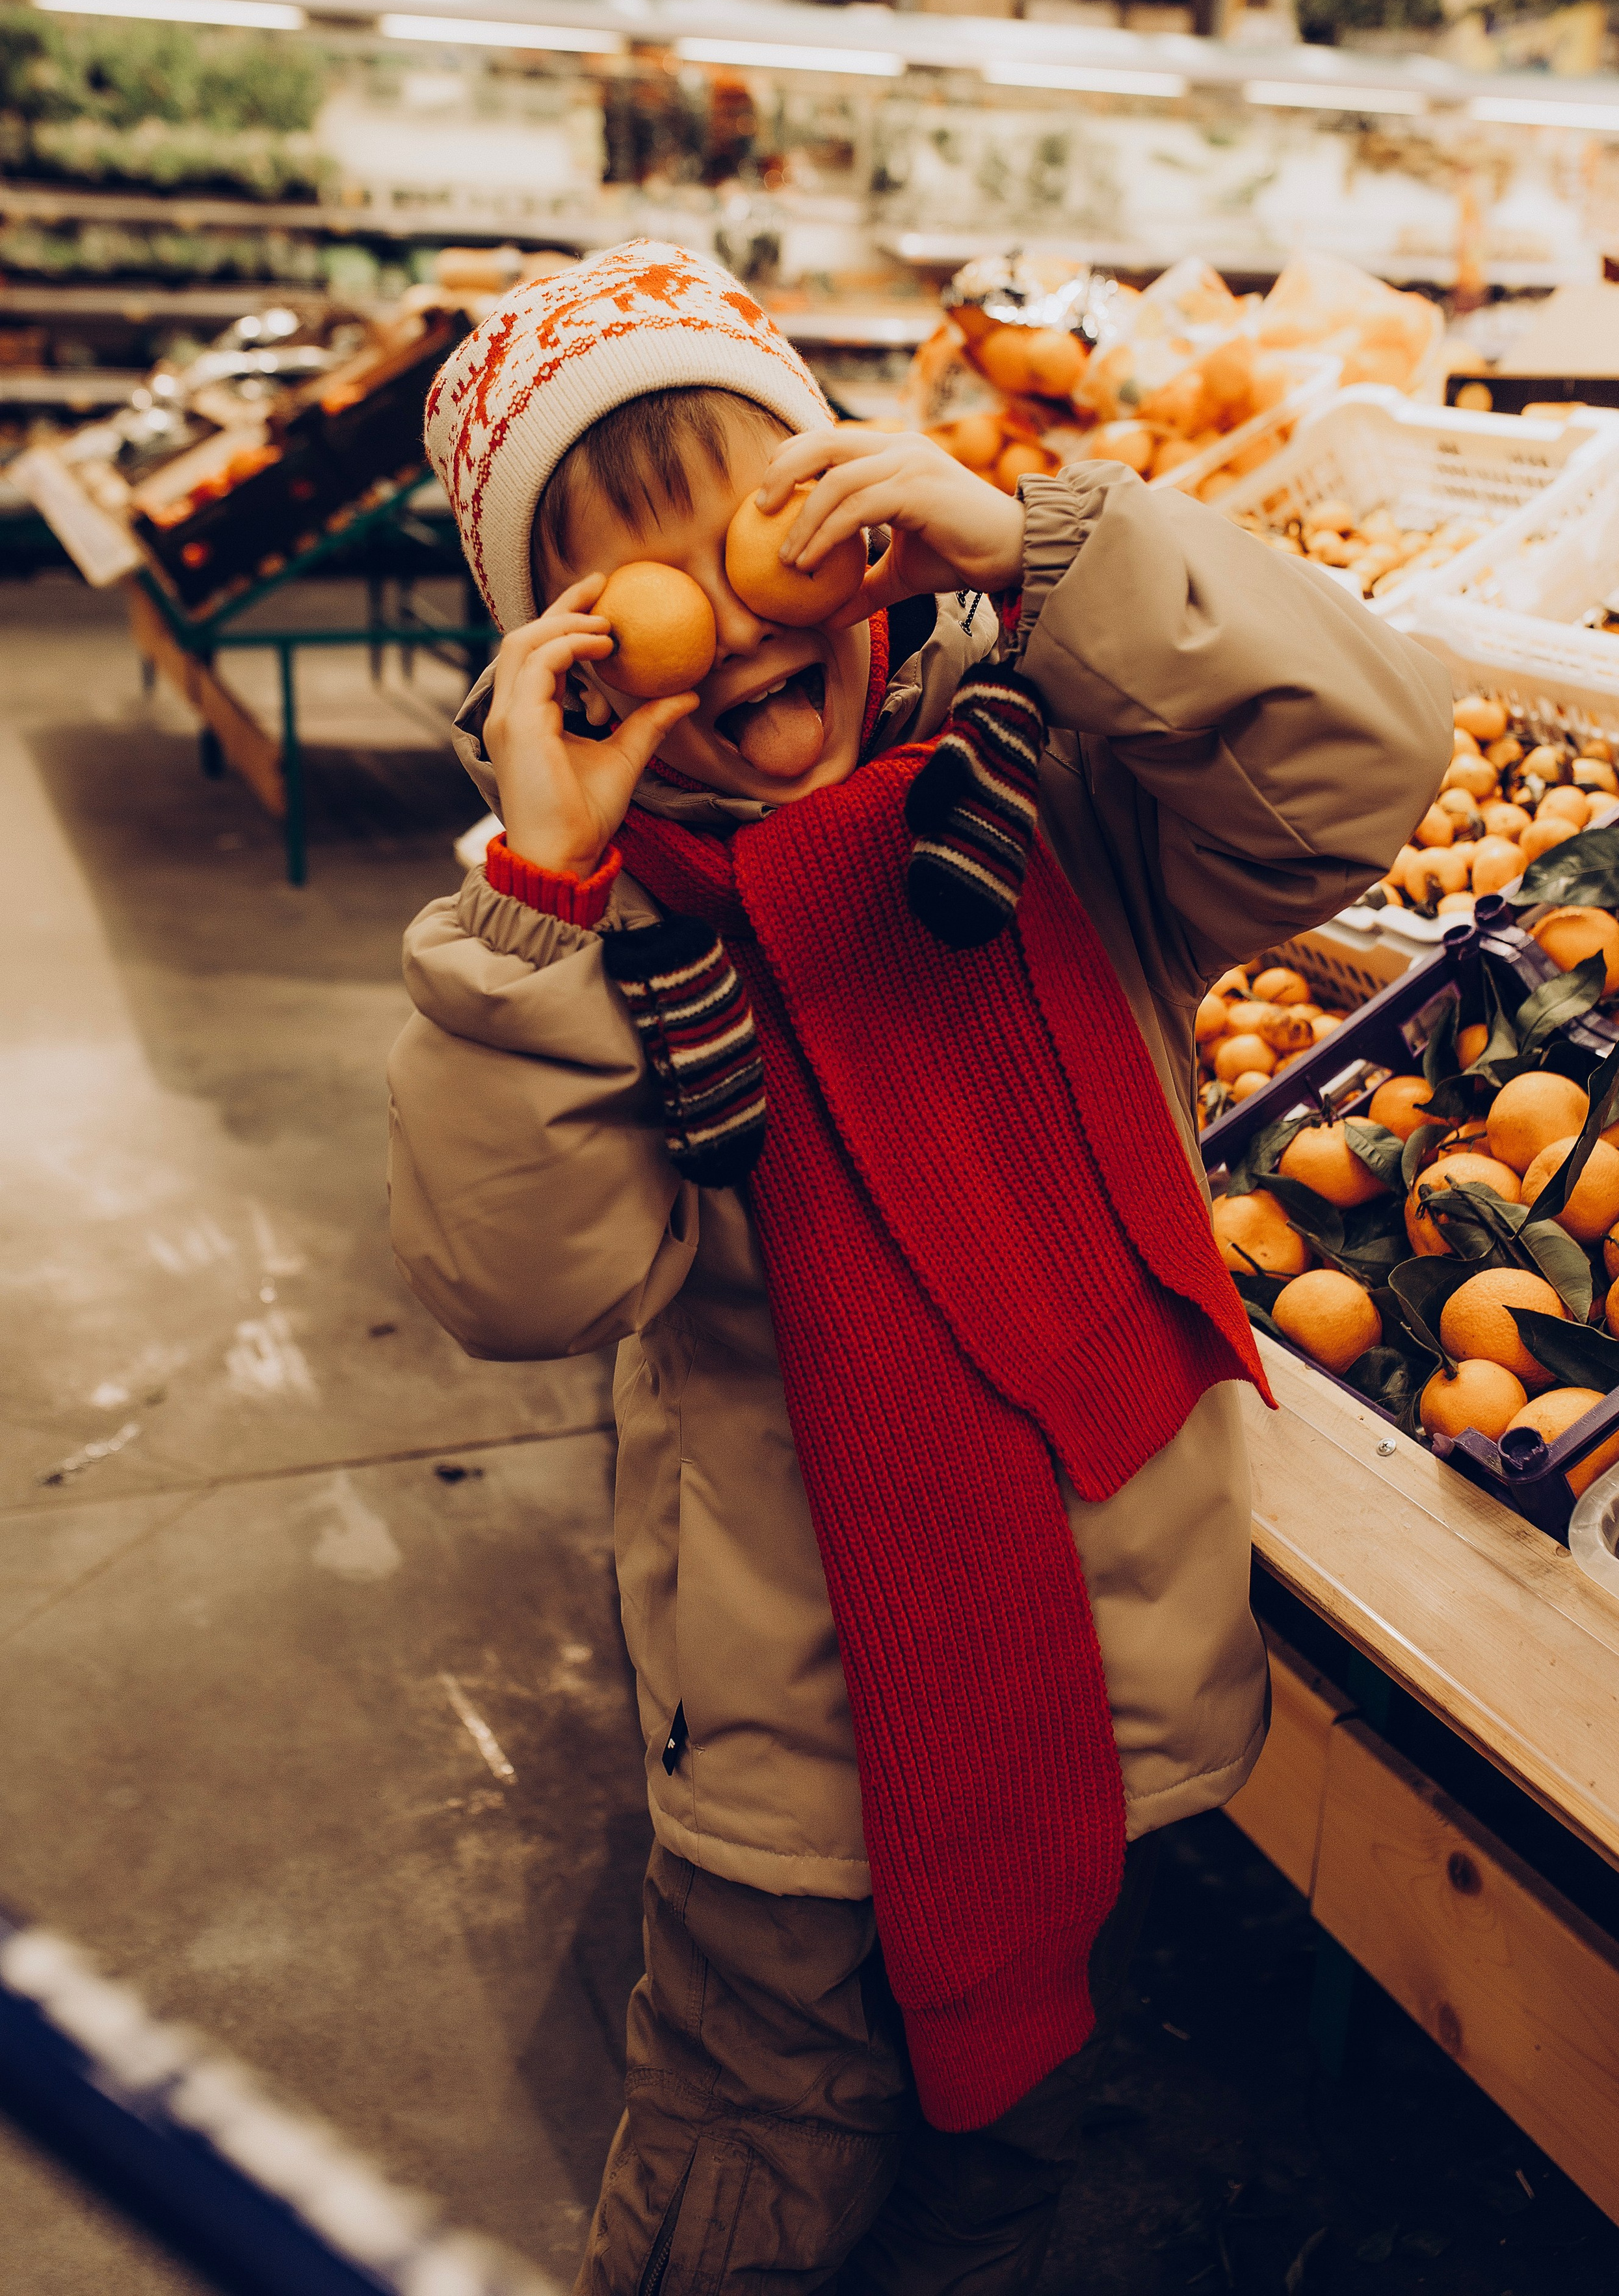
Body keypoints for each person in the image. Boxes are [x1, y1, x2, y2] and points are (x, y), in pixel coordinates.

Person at [389, 239, 1451, 2295]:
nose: (738, 617)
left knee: (1010, 2182)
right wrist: (537, 892)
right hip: (790, 1771)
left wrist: (1058, 543)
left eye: (768, 522)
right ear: (565, 658)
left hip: (1117, 1718)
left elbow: (1370, 764)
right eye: (639, 587)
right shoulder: (584, 927)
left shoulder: (1067, 796)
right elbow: (516, 1281)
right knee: (742, 2183)